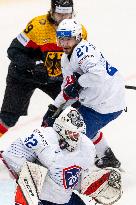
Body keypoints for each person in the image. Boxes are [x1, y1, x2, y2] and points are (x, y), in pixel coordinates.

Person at [42, 19, 126, 169]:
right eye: (61, 39)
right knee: (76, 126)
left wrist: (79, 83)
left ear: (78, 37)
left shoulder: (83, 51)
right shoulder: (66, 57)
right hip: (97, 101)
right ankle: (107, 157)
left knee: (73, 138)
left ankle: (71, 171)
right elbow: (68, 89)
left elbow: (98, 74)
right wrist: (54, 108)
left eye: (68, 39)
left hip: (106, 103)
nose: (64, 44)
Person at [0, 0, 87, 136]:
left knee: (76, 112)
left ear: (72, 13)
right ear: (52, 11)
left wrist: (91, 76)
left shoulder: (79, 32)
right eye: (59, 14)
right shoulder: (37, 27)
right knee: (8, 118)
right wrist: (33, 65)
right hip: (23, 76)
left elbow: (81, 60)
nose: (63, 19)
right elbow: (13, 51)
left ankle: (102, 153)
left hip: (55, 78)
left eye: (67, 15)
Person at [2, 107, 122, 205]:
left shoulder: (86, 147)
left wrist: (91, 185)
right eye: (72, 133)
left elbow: (73, 178)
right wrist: (30, 184)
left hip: (64, 198)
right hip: (41, 197)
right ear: (61, 128)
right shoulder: (43, 137)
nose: (76, 137)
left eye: (78, 133)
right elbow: (11, 155)